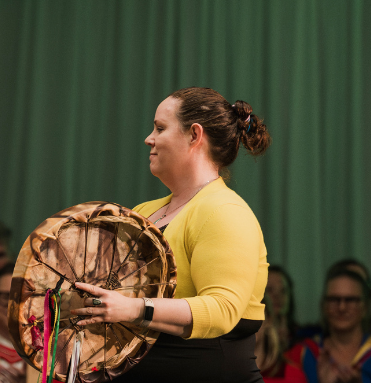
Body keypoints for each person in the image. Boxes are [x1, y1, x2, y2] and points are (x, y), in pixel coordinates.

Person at [66, 87, 271, 382]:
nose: (149, 138)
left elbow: (223, 309)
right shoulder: (144, 211)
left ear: (194, 135)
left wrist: (133, 308)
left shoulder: (224, 210)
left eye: (160, 128)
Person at [285, 270, 371, 383]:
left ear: (364, 307)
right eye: (334, 299)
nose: (342, 307)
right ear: (324, 306)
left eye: (351, 300)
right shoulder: (300, 355)